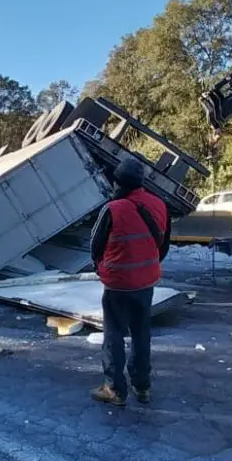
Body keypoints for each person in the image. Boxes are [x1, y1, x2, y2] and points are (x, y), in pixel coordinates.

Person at [88, 157, 169, 407]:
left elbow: (95, 245)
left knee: (113, 335)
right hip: (146, 283)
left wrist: (102, 268)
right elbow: (163, 245)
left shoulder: (112, 208)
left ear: (118, 182)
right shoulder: (159, 205)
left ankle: (114, 388)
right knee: (141, 333)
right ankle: (141, 386)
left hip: (117, 284)